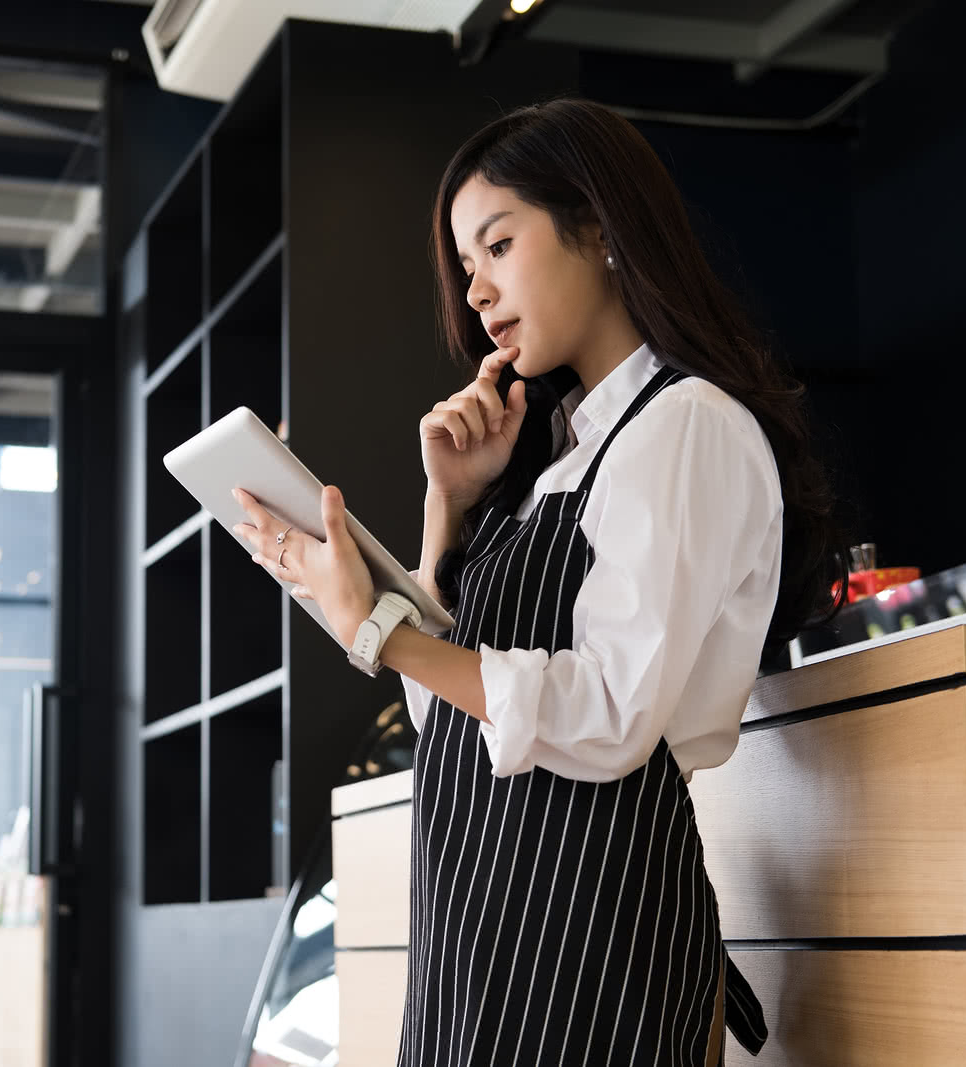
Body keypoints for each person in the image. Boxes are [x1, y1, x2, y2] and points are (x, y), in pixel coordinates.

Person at [233, 97, 844, 1065]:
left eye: (497, 245)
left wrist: (378, 631)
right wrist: (446, 506)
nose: (475, 292)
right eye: (464, 267)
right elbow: (451, 716)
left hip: (594, 932)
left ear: (598, 227)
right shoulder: (556, 462)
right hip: (478, 926)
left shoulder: (684, 426)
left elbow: (608, 715)